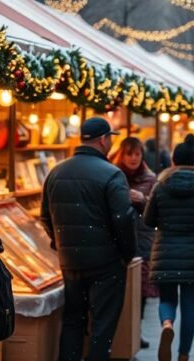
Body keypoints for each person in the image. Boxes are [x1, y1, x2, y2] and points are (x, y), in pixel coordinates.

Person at [41, 117, 137, 361]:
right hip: (107, 263)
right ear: (103, 140)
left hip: (70, 262)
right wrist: (127, 254)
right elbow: (123, 219)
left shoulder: (56, 172)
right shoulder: (112, 174)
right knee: (102, 327)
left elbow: (45, 216)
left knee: (73, 321)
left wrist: (60, 245)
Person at [144, 142, 194, 361]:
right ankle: (183, 354)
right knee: (189, 305)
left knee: (166, 299)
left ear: (173, 161)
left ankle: (167, 323)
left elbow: (149, 220)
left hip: (165, 250)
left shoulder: (160, 186)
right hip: (193, 253)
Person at [114, 136, 159, 350]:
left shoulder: (151, 179)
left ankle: (135, 331)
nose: (133, 158)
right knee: (117, 289)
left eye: (137, 154)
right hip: (115, 239)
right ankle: (119, 333)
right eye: (129, 154)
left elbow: (157, 211)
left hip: (142, 238)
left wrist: (143, 200)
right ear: (122, 155)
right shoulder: (113, 175)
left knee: (140, 290)